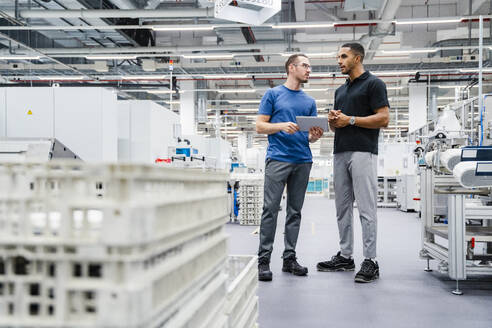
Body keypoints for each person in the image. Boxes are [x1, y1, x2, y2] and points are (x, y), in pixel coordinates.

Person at [317, 43, 389, 283]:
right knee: (342, 208)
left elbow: (384, 118)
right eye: (338, 56)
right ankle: (346, 256)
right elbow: (340, 123)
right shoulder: (341, 90)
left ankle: (371, 260)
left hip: (363, 151)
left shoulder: (374, 84)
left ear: (358, 58)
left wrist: (350, 121)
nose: (339, 61)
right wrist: (333, 120)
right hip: (340, 153)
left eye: (344, 56)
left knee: (366, 209)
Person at [256, 54, 324, 281]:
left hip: (303, 159)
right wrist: (281, 126)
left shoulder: (309, 102)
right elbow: (259, 126)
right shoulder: (273, 94)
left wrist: (314, 137)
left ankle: (289, 259)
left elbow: (310, 136)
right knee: (270, 209)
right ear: (291, 67)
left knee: (295, 212)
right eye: (305, 65)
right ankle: (263, 260)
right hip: (278, 159)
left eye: (310, 66)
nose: (309, 70)